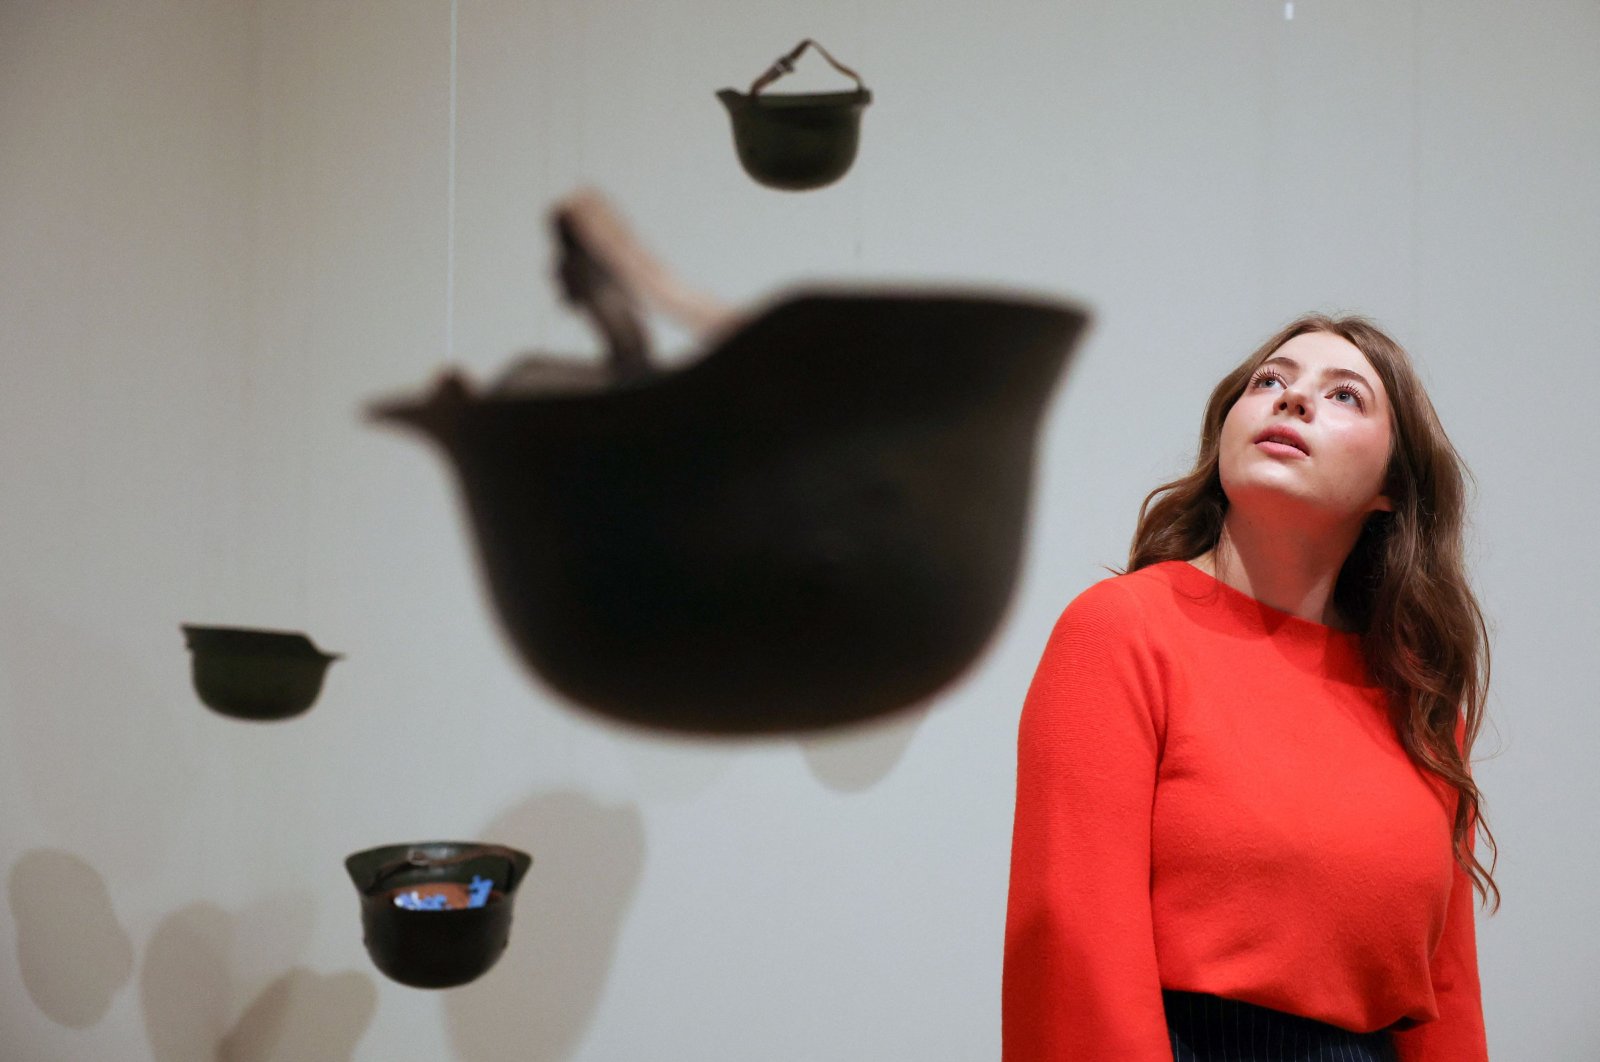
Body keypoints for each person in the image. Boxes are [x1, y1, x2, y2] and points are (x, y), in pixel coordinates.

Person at [1002, 315, 1498, 1061]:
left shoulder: (1420, 704)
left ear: (1393, 487)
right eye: (1270, 382)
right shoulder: (1124, 629)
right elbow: (1075, 951)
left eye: (1344, 397)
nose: (1292, 400)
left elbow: (1447, 1005)